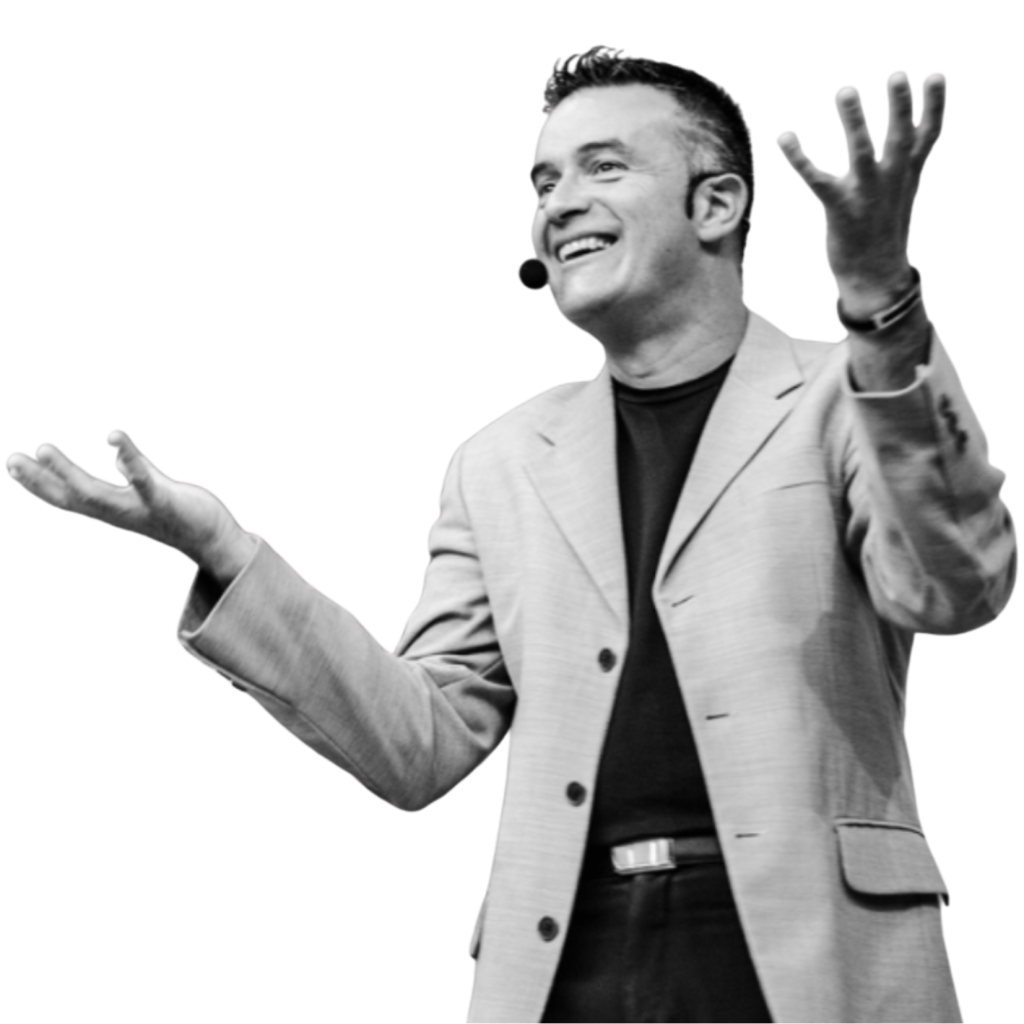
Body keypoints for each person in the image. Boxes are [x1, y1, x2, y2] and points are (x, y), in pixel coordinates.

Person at [6, 47, 1016, 1024]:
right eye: (543, 182)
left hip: (819, 962)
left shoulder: (850, 390)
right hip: (564, 969)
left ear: (715, 205)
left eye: (602, 168)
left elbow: (958, 587)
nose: (557, 204)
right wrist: (228, 555)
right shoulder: (497, 461)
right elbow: (419, 744)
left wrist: (881, 305)